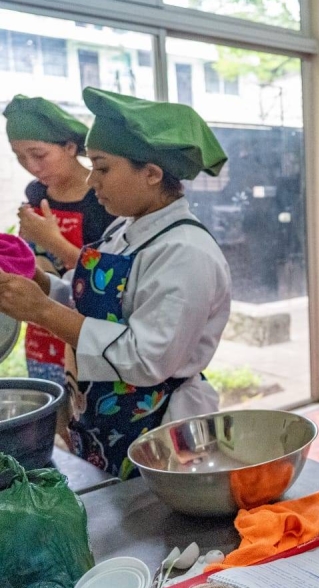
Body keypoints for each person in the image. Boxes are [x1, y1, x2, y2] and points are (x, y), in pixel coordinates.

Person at [0, 88, 232, 479]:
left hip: (162, 431)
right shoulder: (125, 230)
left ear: (152, 174)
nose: (91, 182)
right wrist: (39, 283)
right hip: (107, 421)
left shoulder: (185, 252)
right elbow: (90, 296)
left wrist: (42, 311)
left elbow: (146, 359)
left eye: (103, 168)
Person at [3, 95, 115, 384]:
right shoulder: (36, 195)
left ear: (69, 147)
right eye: (19, 156)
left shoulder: (103, 199)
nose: (31, 166)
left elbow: (110, 282)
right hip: (40, 331)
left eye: (38, 155)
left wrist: (52, 241)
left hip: (86, 330)